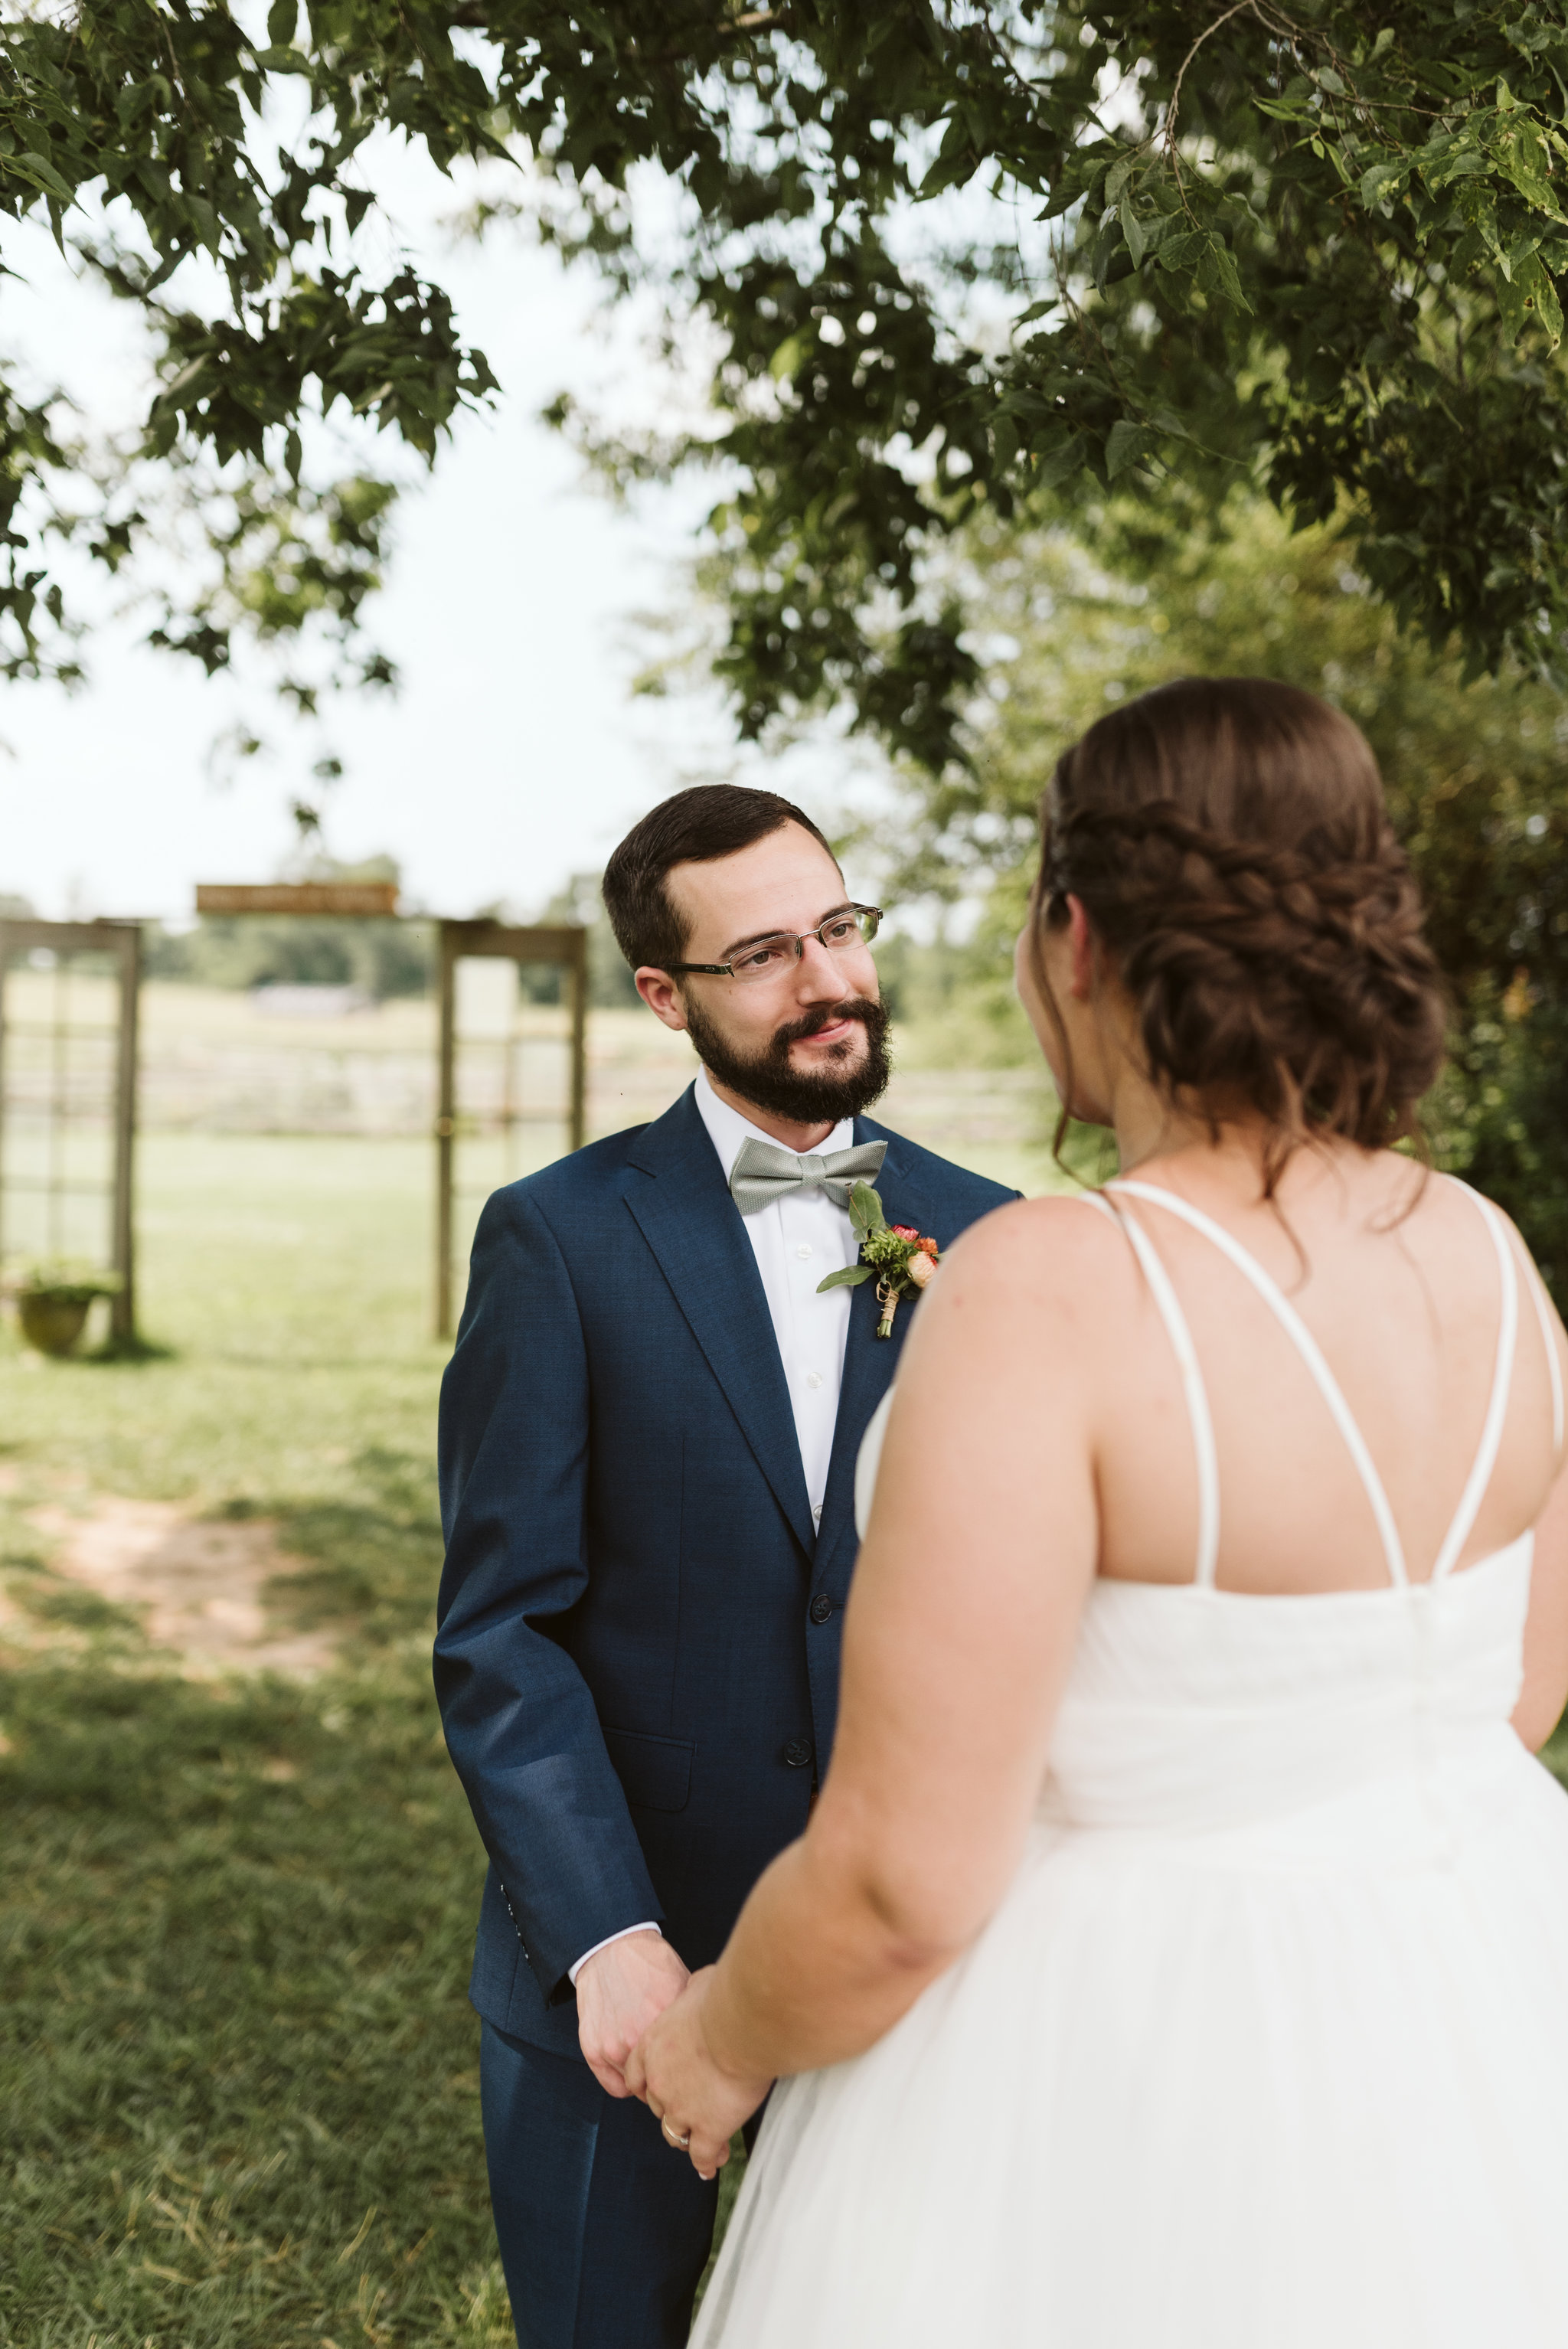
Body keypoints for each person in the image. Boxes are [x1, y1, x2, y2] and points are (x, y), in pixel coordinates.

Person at [629, 678, 1568, 2348]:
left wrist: (714, 2043)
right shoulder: (1487, 1259)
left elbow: (900, 1880)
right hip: (1470, 2019)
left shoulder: (1058, 1287)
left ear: (1076, 939)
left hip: (1112, 2085)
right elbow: (1510, 1694)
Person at [433, 783, 1015, 2348]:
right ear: (663, 995)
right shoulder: (557, 1238)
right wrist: (613, 1947)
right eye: (760, 954)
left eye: (837, 929)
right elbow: (499, 1633)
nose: (825, 980)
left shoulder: (995, 1239)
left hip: (905, 1976)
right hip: (616, 1982)